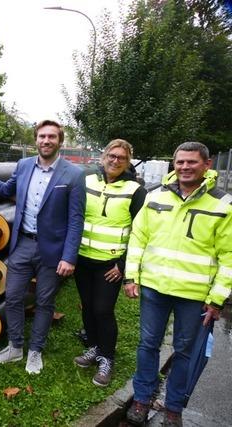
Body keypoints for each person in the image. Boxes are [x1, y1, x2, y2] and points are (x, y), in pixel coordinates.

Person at [0, 119, 86, 374]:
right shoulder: (24, 165)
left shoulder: (73, 175)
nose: (46, 141)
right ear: (36, 140)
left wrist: (69, 257)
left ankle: (35, 351)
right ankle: (15, 347)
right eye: (41, 136)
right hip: (22, 244)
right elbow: (7, 189)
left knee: (44, 301)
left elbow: (76, 220)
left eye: (51, 136)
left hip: (52, 250)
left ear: (59, 141)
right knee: (13, 296)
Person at [124, 142, 232, 427]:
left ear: (206, 165)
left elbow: (229, 256)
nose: (184, 167)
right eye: (180, 162)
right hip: (154, 289)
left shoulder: (222, 205)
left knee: (184, 352)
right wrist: (131, 276)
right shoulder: (154, 196)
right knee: (147, 345)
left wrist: (217, 298)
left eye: (191, 162)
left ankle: (173, 408)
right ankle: (141, 399)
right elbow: (138, 237)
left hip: (194, 296)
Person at [73, 139, 146, 387]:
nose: (115, 161)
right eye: (111, 156)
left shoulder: (135, 190)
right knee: (88, 306)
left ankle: (107, 357)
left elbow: (140, 231)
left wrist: (123, 264)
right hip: (83, 258)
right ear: (104, 156)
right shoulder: (86, 180)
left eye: (121, 158)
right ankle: (93, 347)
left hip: (110, 264)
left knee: (103, 310)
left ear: (127, 162)